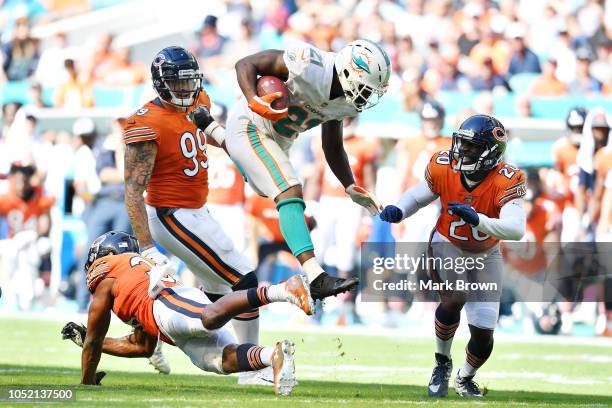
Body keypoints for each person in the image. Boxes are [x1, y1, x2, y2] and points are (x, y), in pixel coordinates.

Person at [122, 46, 337, 385]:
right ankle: (253, 367)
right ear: (160, 85)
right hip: (170, 214)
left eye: (189, 82)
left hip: (195, 211)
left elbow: (211, 133)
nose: (185, 90)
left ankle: (161, 336)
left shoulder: (198, 101)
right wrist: (149, 250)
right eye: (178, 84)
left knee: (219, 293)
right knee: (242, 280)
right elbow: (133, 191)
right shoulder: (146, 123)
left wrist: (251, 150)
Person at [204, 39, 391, 300]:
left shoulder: (346, 101)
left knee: (262, 184)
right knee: (289, 189)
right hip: (252, 125)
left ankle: (213, 131)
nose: (368, 95)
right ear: (350, 71)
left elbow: (333, 145)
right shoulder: (309, 64)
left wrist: (349, 186)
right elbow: (245, 64)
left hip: (280, 141)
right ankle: (316, 277)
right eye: (366, 87)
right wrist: (253, 99)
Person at [61, 231, 313, 396]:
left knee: (208, 318)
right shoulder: (130, 277)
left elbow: (94, 338)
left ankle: (282, 290)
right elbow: (142, 346)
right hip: (168, 316)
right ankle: (274, 355)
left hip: (166, 302)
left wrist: (86, 381)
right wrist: (90, 343)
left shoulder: (108, 273)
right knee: (220, 361)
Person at [380, 115, 526, 397]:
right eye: (461, 144)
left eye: (471, 147)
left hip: (486, 253)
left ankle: (464, 377)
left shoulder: (507, 178)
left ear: (490, 151)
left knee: (484, 335)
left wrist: (478, 220)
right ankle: (441, 362)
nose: (462, 151)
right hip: (448, 242)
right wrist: (400, 209)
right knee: (455, 296)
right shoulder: (443, 165)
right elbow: (420, 194)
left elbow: (516, 229)